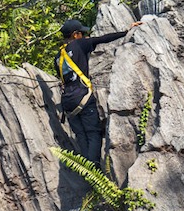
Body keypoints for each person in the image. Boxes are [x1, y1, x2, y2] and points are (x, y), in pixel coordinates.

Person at [56, 18, 142, 166]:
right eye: (82, 33)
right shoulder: (80, 44)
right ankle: (94, 169)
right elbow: (103, 39)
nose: (84, 36)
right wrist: (127, 31)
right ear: (76, 34)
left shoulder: (57, 57)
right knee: (93, 133)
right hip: (83, 97)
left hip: (67, 101)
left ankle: (87, 173)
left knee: (81, 135)